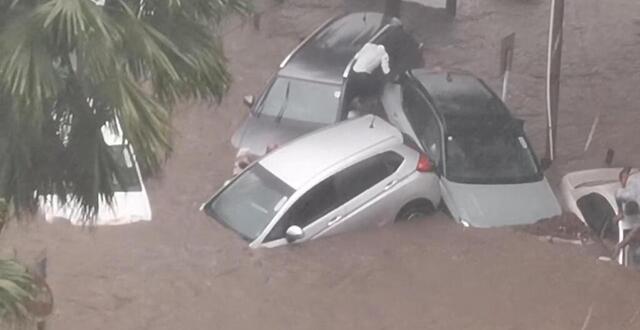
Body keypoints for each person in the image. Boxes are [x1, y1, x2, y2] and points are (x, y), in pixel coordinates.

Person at [611, 166, 640, 258]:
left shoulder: (628, 194)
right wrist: (620, 212)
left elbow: (636, 228)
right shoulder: (626, 193)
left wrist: (620, 245)